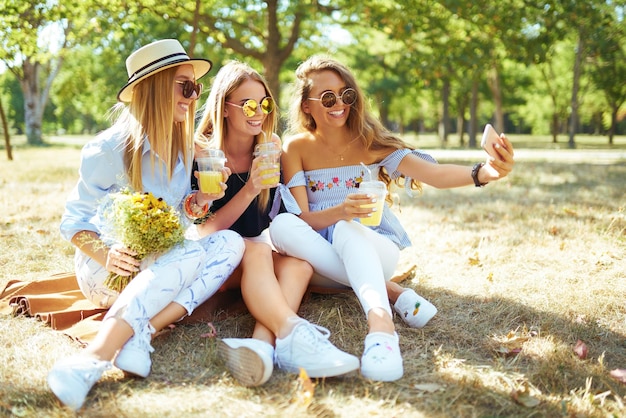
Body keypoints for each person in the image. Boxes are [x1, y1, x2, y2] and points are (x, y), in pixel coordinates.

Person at [269, 55, 515, 382]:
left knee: (347, 229)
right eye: (328, 98)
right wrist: (341, 210)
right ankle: (392, 292)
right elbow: (303, 219)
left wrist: (485, 172)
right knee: (283, 226)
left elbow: (436, 174)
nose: (339, 103)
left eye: (347, 94)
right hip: (321, 263)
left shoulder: (371, 141)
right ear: (307, 107)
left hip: (375, 249)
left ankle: (382, 329)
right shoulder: (295, 147)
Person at [47, 39, 245, 411]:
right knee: (186, 254)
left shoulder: (184, 149)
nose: (193, 96)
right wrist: (108, 255)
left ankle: (141, 333)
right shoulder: (108, 150)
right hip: (108, 270)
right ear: (155, 88)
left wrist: (197, 204)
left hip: (163, 262)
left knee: (230, 243)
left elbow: (176, 220)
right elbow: (73, 222)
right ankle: (92, 358)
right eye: (185, 86)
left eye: (196, 87)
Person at [193, 60, 359, 386]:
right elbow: (205, 230)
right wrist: (252, 188)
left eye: (265, 103)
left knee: (299, 268)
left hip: (252, 254)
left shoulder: (268, 149)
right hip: (213, 253)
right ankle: (291, 334)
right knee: (258, 254)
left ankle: (261, 347)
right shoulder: (203, 155)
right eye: (248, 104)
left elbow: (283, 216)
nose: (259, 111)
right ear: (224, 108)